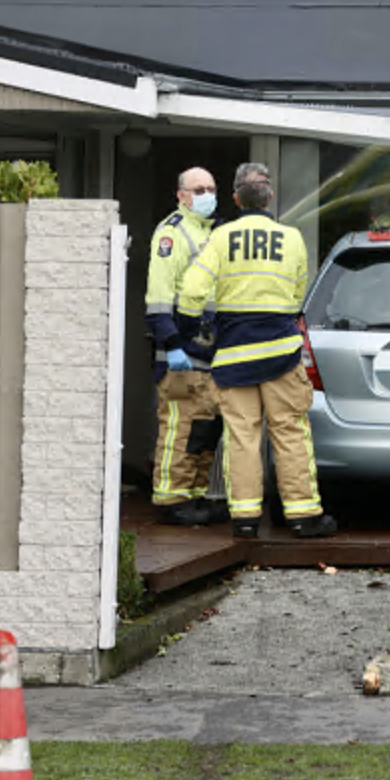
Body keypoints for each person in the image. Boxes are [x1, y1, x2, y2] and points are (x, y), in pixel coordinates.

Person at [178, 162, 336, 540]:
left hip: (233, 356)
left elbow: (191, 293)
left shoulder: (219, 238)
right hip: (281, 354)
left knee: (241, 438)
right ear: (270, 198)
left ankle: (245, 519)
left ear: (234, 198)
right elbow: (297, 296)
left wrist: (189, 334)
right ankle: (303, 516)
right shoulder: (293, 238)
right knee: (290, 433)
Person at [143, 167, 229, 527]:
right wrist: (172, 343)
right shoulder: (172, 234)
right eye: (198, 189)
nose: (206, 194)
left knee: (204, 429)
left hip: (210, 352)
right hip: (182, 351)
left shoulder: (214, 232)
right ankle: (170, 498)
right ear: (181, 195)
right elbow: (159, 297)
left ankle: (193, 496)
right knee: (179, 427)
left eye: (210, 188)